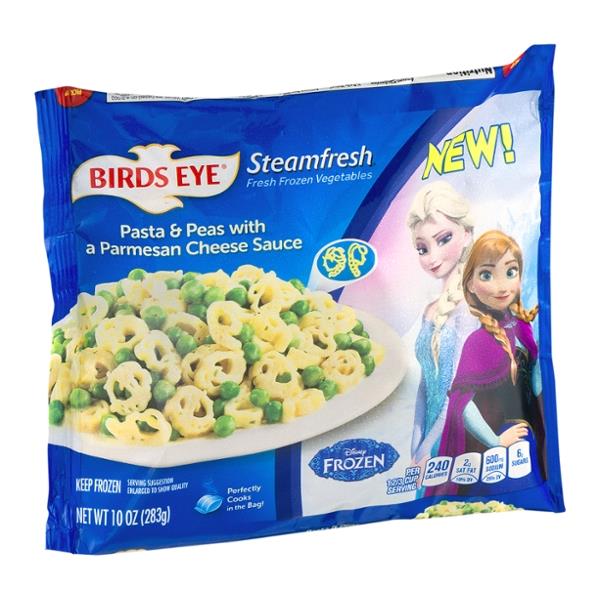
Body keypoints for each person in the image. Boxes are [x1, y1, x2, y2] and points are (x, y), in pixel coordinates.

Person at [428, 230, 546, 497]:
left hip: (532, 434)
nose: (502, 286)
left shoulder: (522, 327)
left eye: (510, 272)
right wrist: (495, 441)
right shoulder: (477, 341)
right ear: (470, 284)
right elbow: (462, 402)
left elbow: (534, 379)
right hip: (500, 447)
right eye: (486, 275)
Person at [406, 182, 477, 492]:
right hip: (426, 446)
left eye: (443, 239)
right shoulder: (429, 310)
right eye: (422, 248)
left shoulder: (470, 308)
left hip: (454, 436)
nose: (431, 257)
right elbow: (425, 386)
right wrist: (415, 446)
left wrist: (426, 448)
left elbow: (456, 391)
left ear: (467, 234)